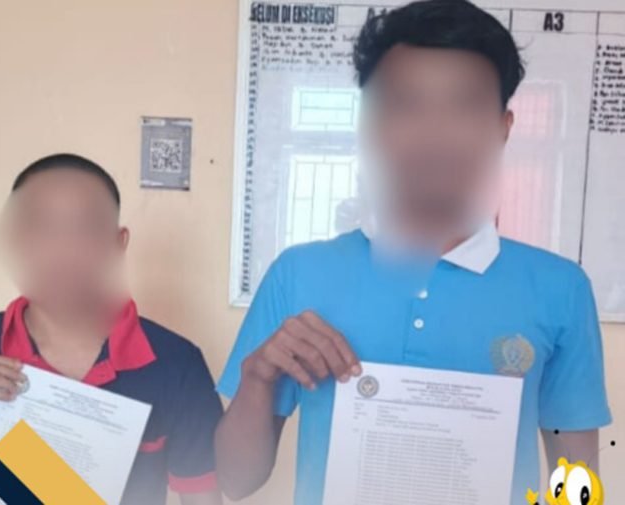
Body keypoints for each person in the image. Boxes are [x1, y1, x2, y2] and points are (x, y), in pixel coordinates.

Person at [214, 1, 611, 504]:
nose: (435, 134)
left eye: (463, 106)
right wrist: (257, 376)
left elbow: (576, 480)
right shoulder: (298, 274)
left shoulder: (560, 289)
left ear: (503, 127)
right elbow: (236, 481)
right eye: (407, 105)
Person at [0, 154, 223, 505]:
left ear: (118, 244)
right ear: (17, 241)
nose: (64, 251)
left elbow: (201, 498)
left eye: (85, 229)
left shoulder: (177, 363)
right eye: (44, 228)